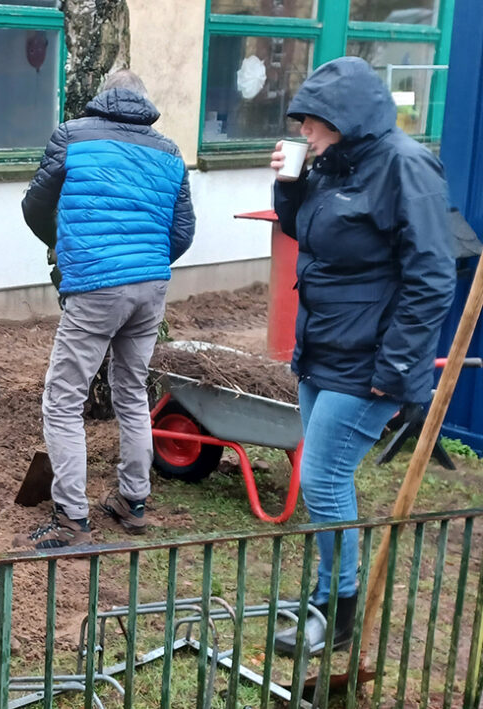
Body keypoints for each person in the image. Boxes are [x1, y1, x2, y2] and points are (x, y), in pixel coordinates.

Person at [268, 57, 455, 658]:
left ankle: (340, 614)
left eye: (311, 123)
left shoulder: (405, 166)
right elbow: (306, 232)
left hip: (371, 361)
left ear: (344, 117)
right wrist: (289, 185)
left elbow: (432, 277)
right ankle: (326, 595)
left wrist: (397, 371)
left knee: (323, 480)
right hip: (323, 346)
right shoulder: (333, 165)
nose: (304, 134)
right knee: (324, 479)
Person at [14, 69, 195, 549]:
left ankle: (72, 518)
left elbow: (35, 206)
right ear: (144, 101)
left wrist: (65, 246)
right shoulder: (170, 152)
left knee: (63, 399)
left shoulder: (72, 135)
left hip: (95, 283)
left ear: (102, 97)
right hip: (151, 286)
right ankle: (133, 502)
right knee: (132, 392)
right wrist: (144, 264)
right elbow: (183, 232)